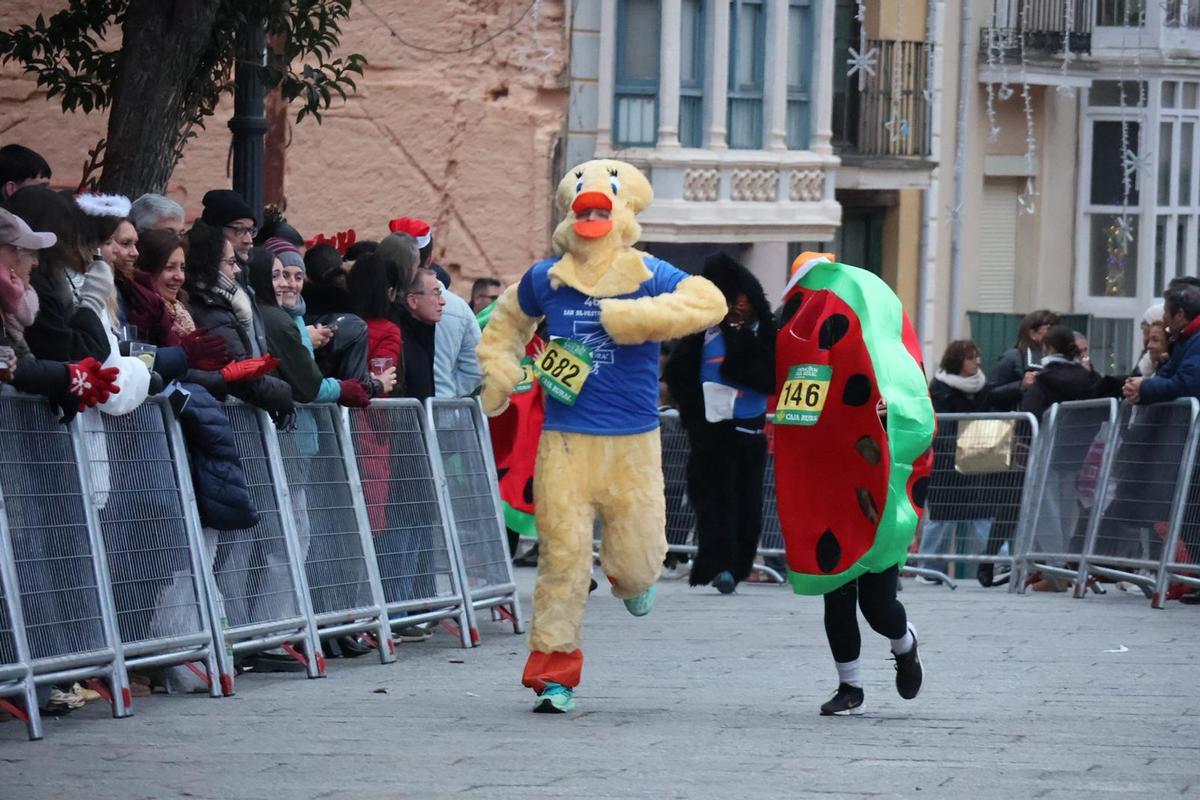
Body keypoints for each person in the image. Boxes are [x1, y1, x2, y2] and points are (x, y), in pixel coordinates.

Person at [663, 252, 775, 594]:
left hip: (748, 430)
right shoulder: (702, 332)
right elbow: (677, 373)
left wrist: (739, 343)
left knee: (747, 503)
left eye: (743, 301)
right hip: (711, 432)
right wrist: (693, 413)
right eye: (732, 301)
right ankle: (717, 562)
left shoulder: (764, 333)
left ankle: (737, 564)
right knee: (711, 501)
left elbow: (765, 377)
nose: (738, 308)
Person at [917, 340, 990, 579]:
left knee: (981, 515)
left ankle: (995, 564)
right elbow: (940, 424)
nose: (977, 361)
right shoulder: (939, 387)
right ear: (957, 361)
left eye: (977, 356)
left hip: (975, 460)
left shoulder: (982, 385)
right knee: (940, 519)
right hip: (946, 463)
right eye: (971, 357)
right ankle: (929, 570)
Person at [389, 217, 481, 398]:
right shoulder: (458, 306)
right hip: (444, 410)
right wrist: (449, 390)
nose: (441, 302)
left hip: (399, 416)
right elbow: (476, 367)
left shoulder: (382, 302)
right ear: (430, 258)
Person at [1124, 285, 1200, 406]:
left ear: (1179, 314)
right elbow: (1167, 375)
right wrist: (1139, 389)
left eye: (1166, 312)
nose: (1164, 317)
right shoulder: (1185, 339)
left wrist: (1143, 386)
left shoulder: (1194, 340)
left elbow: (1185, 385)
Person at [983, 309, 1059, 410]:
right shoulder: (1012, 357)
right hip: (1017, 422)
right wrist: (1021, 385)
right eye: (1049, 329)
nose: (1056, 334)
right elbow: (990, 394)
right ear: (1033, 334)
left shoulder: (1058, 359)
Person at [395, 266, 445, 401]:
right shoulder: (399, 340)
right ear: (412, 300)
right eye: (436, 293)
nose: (442, 301)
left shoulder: (426, 333)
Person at [201, 189, 257, 265]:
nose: (249, 240)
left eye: (251, 230)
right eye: (239, 229)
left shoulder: (248, 270)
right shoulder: (190, 270)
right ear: (216, 231)